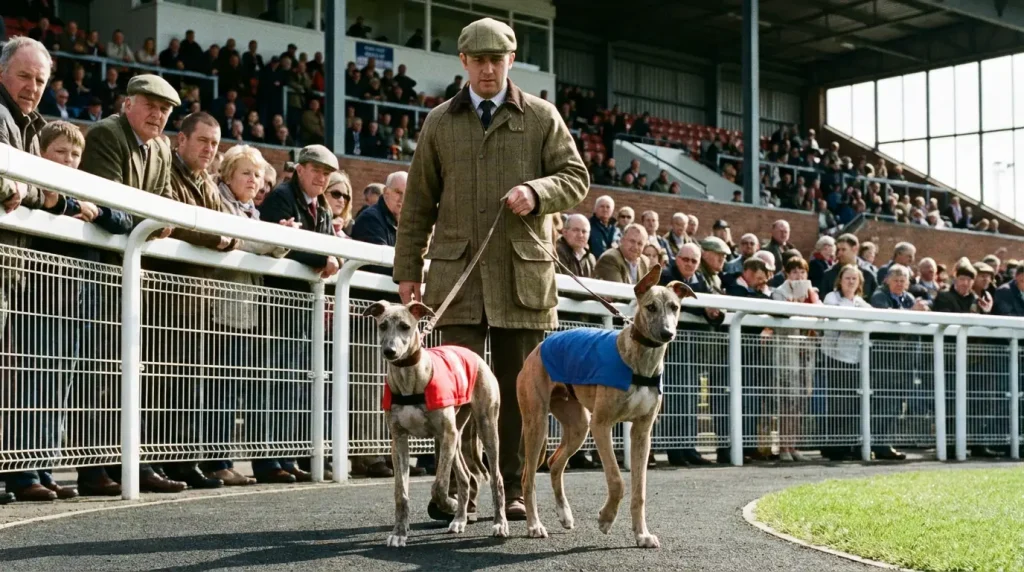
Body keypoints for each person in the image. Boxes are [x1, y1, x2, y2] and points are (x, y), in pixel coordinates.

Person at [392, 17, 589, 521]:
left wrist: (537, 192)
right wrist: (407, 271)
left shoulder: (543, 117)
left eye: (495, 60)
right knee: (451, 396)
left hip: (521, 280)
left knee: (523, 395)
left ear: (511, 61)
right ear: (462, 62)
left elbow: (575, 178)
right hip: (454, 281)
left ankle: (519, 490)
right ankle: (462, 490)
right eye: (477, 60)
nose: (486, 69)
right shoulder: (438, 121)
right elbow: (417, 204)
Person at [76, 73, 183, 496]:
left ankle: (133, 462)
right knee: (99, 372)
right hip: (99, 270)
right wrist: (150, 225)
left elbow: (160, 208)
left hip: (134, 275)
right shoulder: (107, 133)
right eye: (150, 106)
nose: (157, 115)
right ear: (128, 105)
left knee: (134, 372)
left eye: (165, 110)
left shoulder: (159, 147)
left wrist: (150, 224)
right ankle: (94, 467)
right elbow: (111, 207)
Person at [202, 144, 292, 486]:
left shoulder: (251, 212)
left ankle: (226, 459)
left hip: (246, 313)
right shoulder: (221, 203)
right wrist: (276, 237)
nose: (254, 181)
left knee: (236, 386)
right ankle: (217, 460)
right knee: (220, 388)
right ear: (228, 175)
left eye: (257, 175)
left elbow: (260, 244)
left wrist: (279, 237)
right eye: (246, 173)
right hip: (220, 309)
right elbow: (244, 241)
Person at [257, 144, 342, 483]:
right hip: (278, 305)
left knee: (294, 384)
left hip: (305, 307)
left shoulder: (321, 209)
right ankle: (269, 460)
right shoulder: (280, 197)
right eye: (316, 171)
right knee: (275, 381)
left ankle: (287, 454)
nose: (321, 178)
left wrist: (324, 257)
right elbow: (284, 244)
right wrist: (322, 260)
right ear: (300, 170)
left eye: (326, 174)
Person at [659, 242, 721, 466]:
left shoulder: (701, 280)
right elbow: (674, 302)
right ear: (677, 259)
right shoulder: (666, 276)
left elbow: (712, 308)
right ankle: (676, 451)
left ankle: (689, 448)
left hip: (692, 351)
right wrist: (702, 309)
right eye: (685, 259)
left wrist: (713, 313)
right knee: (675, 398)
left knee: (690, 398)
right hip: (671, 350)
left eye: (694, 261)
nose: (689, 264)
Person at [868, 264, 928, 461]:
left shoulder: (908, 298)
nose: (900, 284)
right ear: (887, 280)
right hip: (885, 362)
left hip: (905, 363)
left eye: (903, 280)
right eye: (896, 280)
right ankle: (878, 444)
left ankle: (885, 443)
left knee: (895, 405)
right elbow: (887, 322)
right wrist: (913, 311)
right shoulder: (879, 296)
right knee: (883, 403)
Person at [769, 257, 821, 462]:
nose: (799, 276)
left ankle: (793, 445)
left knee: (800, 400)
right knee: (787, 401)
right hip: (786, 352)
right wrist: (797, 303)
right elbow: (782, 317)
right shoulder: (779, 292)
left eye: (802, 272)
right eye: (795, 272)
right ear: (787, 274)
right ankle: (783, 446)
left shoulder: (812, 293)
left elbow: (820, 316)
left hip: (805, 353)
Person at [820, 264, 871, 461]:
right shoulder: (831, 298)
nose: (850, 282)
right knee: (836, 402)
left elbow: (871, 317)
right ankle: (833, 447)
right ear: (840, 280)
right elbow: (837, 317)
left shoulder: (860, 302)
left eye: (854, 279)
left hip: (854, 358)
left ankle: (847, 444)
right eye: (847, 278)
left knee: (851, 403)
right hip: (834, 357)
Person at [351, 171, 405, 275]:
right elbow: (381, 265)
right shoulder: (370, 219)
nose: (402, 199)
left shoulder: (406, 222)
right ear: (386, 192)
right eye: (398, 192)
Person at [555, 213, 595, 278]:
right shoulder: (556, 252)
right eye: (576, 230)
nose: (580, 235)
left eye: (584, 231)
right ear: (565, 232)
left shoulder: (590, 258)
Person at [325, 171, 354, 236]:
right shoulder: (312, 220)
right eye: (336, 194)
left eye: (345, 197)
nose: (341, 200)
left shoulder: (351, 228)